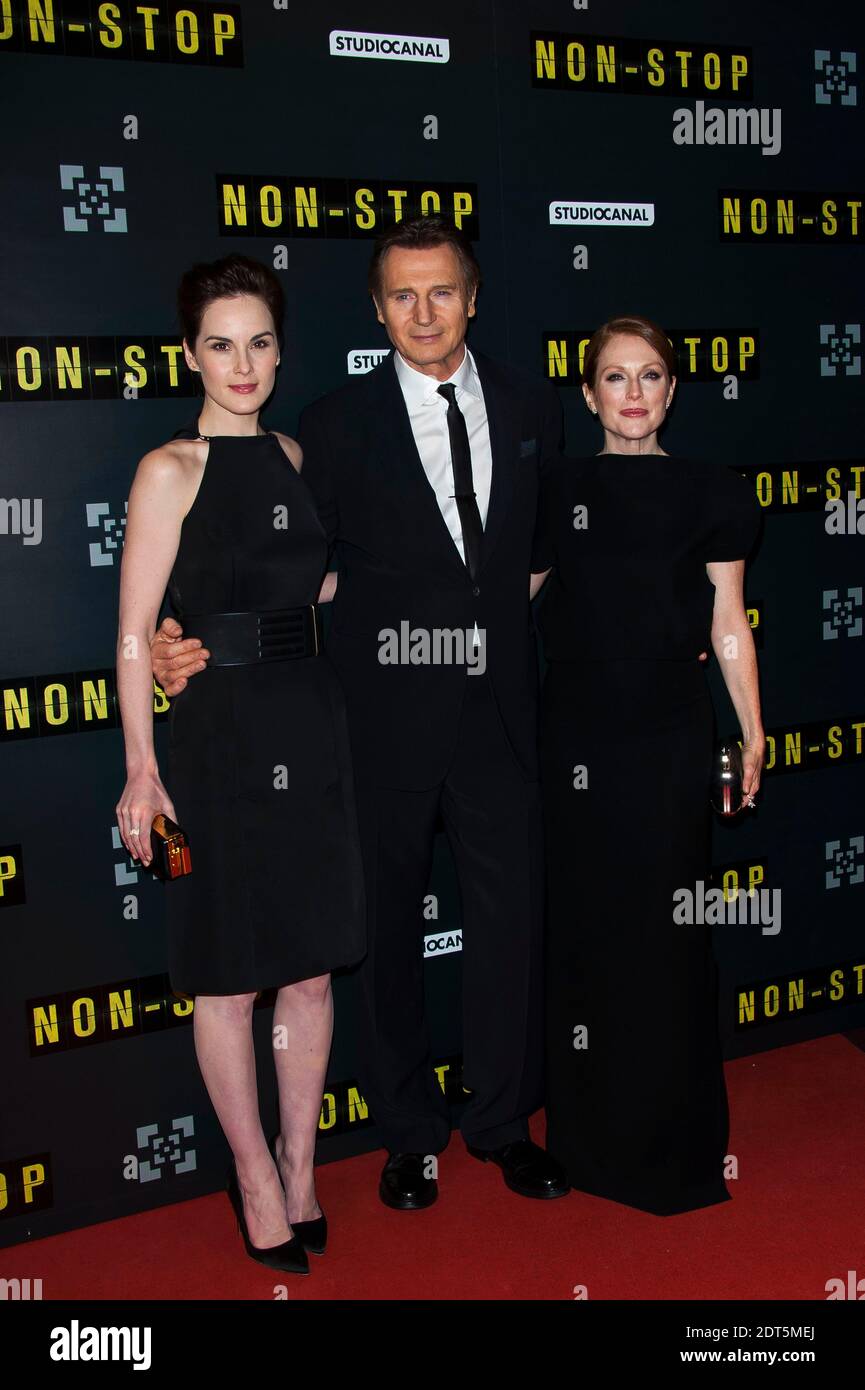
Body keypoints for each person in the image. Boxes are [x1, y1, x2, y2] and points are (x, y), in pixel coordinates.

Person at [151, 217, 569, 1210]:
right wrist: (183, 638)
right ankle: (407, 1133)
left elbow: (543, 550)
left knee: (509, 922)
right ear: (377, 308)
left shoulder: (529, 404)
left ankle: (503, 1119)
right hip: (375, 717)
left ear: (473, 298)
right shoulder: (332, 428)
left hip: (501, 708)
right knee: (379, 931)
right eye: (402, 295)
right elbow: (289, 570)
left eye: (442, 291)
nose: (423, 313)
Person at [115, 254, 365, 1271]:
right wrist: (142, 766)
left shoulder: (299, 458)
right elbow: (135, 633)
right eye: (221, 343)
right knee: (224, 980)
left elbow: (324, 589)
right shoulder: (169, 469)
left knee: (307, 973)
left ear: (279, 346)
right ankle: (253, 1178)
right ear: (190, 354)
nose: (243, 362)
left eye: (259, 341)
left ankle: (302, 1168)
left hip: (309, 728)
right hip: (212, 742)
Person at [529, 315, 764, 1215]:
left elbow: (728, 621)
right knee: (588, 935)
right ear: (587, 394)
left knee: (669, 938)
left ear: (671, 391)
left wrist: (750, 729)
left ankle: (672, 1144)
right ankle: (589, 1144)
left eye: (651, 375)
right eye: (614, 377)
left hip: (669, 734)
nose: (633, 393)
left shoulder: (711, 491)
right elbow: (500, 599)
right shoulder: (552, 490)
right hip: (576, 736)